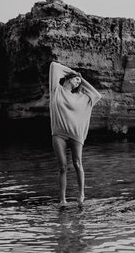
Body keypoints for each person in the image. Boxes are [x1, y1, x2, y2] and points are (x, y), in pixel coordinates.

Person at [49, 61, 101, 207]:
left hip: (76, 135)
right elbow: (54, 66)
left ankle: (81, 194)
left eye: (80, 81)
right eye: (76, 79)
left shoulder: (82, 98)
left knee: (77, 163)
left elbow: (97, 95)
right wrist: (74, 74)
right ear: (68, 78)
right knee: (62, 167)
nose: (79, 82)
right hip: (59, 134)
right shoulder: (55, 89)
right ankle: (62, 200)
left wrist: (81, 79)